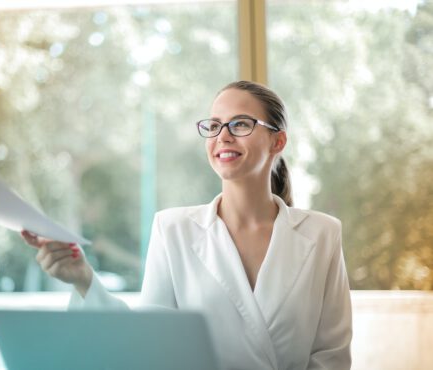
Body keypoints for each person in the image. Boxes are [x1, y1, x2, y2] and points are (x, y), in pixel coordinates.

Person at [22, 80, 352, 370]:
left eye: (240, 124)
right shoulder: (172, 229)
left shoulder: (322, 234)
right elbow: (149, 344)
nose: (223, 136)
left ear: (277, 142)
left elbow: (331, 354)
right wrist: (84, 280)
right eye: (214, 125)